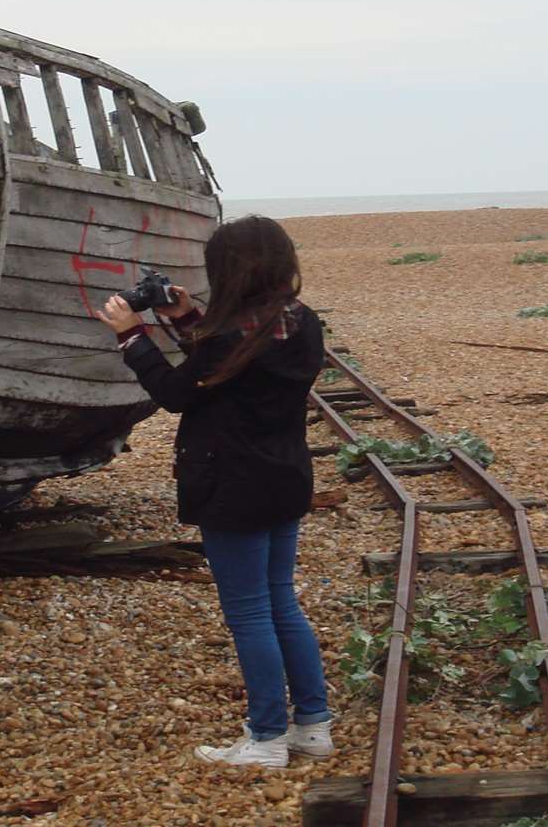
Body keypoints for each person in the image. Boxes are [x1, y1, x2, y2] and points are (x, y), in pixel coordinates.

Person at [94, 215, 333, 767]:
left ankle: (267, 737)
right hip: (285, 476)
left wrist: (133, 335)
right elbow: (231, 365)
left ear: (228, 271)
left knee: (249, 612)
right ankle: (312, 726)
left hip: (232, 484)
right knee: (280, 601)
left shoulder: (231, 336)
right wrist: (187, 319)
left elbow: (179, 391)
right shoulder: (302, 321)